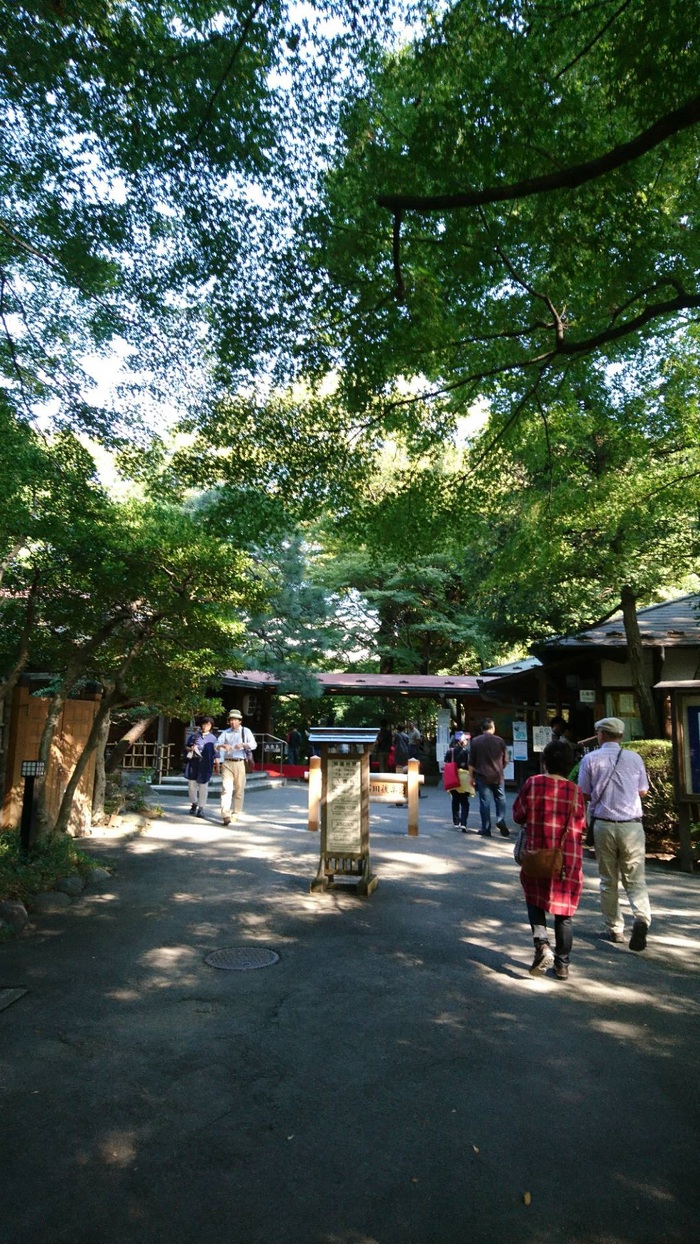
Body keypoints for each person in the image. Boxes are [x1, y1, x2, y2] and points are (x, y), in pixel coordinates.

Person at [512, 738, 587, 980]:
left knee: (535, 901)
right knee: (564, 912)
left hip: (537, 853)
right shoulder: (576, 792)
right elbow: (581, 825)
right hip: (567, 860)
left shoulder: (533, 784)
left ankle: (542, 945)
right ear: (569, 764)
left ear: (545, 761)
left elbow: (518, 815)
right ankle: (563, 964)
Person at [577, 716, 651, 951]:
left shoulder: (590, 759)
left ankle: (615, 928)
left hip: (604, 825)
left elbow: (584, 793)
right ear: (621, 736)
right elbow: (643, 791)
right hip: (632, 825)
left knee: (608, 880)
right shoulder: (635, 758)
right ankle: (641, 918)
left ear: (601, 734)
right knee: (636, 879)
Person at [469, 717, 510, 837]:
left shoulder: (476, 741)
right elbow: (506, 760)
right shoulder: (500, 741)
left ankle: (486, 829)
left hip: (482, 776)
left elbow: (471, 762)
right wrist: (499, 768)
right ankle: (500, 819)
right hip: (498, 775)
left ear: (482, 729)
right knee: (501, 798)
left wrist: (471, 777)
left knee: (485, 802)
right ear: (493, 728)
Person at [216, 708, 257, 825]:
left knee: (239, 789)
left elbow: (254, 744)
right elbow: (216, 745)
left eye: (235, 720)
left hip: (240, 762)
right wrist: (222, 746)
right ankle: (225, 814)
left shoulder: (246, 731)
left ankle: (236, 813)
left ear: (240, 721)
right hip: (227, 762)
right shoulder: (225, 732)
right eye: (231, 720)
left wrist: (244, 745)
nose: (233, 722)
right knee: (226, 789)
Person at [183, 717, 218, 818]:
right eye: (204, 724)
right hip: (193, 764)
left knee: (203, 787)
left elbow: (216, 753)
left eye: (208, 724)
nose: (206, 726)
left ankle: (201, 808)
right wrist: (191, 748)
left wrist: (217, 766)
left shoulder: (213, 738)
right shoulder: (194, 736)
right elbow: (186, 746)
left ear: (211, 726)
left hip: (206, 764)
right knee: (191, 786)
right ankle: (194, 803)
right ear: (201, 725)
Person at [445, 731, 471, 831]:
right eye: (465, 740)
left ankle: (456, 821)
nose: (467, 742)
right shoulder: (465, 752)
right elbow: (469, 765)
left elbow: (446, 763)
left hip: (453, 777)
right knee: (465, 802)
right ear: (461, 741)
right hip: (464, 778)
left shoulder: (450, 752)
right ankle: (464, 823)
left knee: (455, 800)